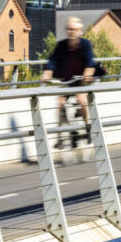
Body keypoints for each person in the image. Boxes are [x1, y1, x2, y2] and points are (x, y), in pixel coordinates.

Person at [41, 17, 96, 148]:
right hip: (66, 81)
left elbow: (90, 63)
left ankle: (87, 126)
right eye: (70, 29)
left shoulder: (85, 45)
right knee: (60, 104)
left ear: (80, 31)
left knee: (81, 100)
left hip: (80, 81)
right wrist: (47, 73)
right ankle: (60, 137)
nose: (72, 32)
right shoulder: (61, 46)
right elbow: (52, 62)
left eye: (75, 29)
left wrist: (87, 74)